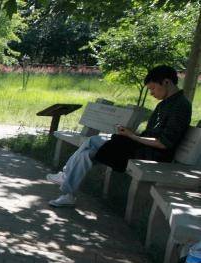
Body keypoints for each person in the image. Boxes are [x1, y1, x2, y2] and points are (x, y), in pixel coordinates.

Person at [47, 65, 192, 207]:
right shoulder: (166, 104)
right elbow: (152, 133)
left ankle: (67, 187)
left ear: (166, 82)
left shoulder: (180, 106)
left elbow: (164, 143)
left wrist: (132, 136)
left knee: (91, 147)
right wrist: (131, 134)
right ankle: (67, 191)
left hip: (153, 154)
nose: (152, 93)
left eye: (153, 88)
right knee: (90, 148)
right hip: (142, 147)